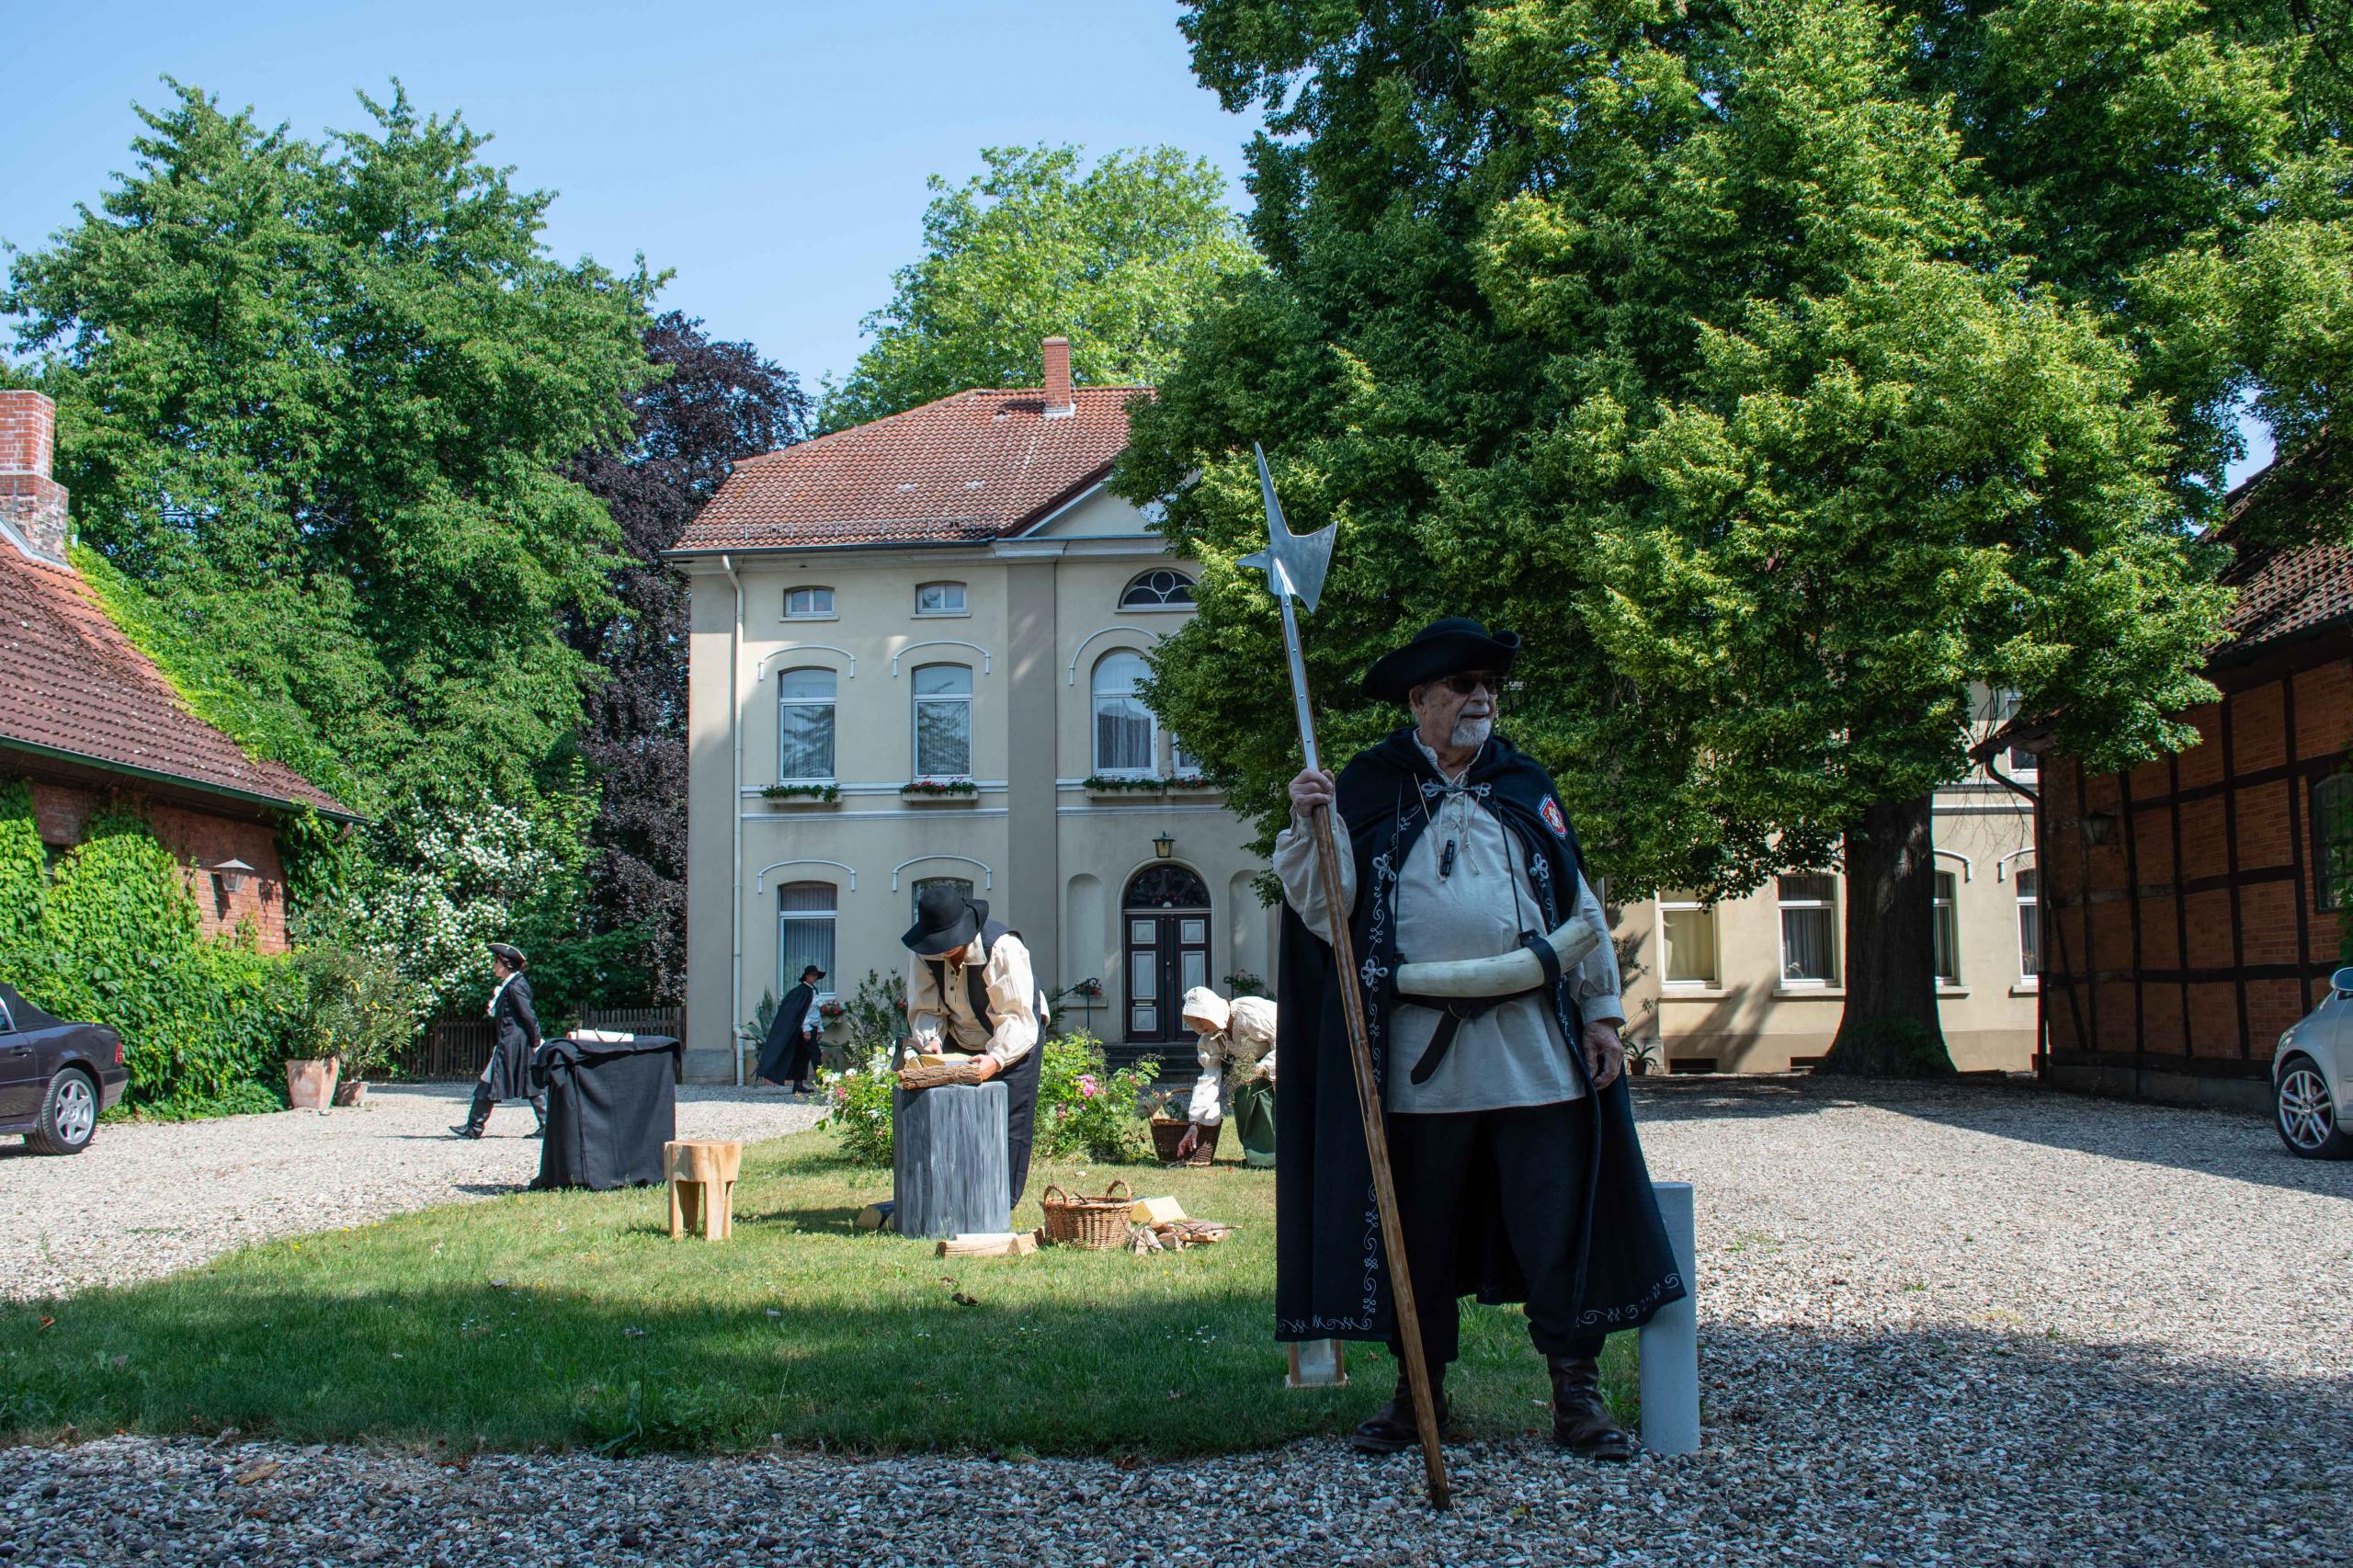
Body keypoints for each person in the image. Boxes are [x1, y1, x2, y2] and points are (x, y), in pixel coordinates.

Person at [1273, 617, 1687, 1460]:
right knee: (1416, 1235)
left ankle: (1577, 1397)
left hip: (1536, 1054)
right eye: (1463, 686)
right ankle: (1416, 1397)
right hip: (1422, 1069)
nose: (1481, 700)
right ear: (1420, 700)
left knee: (1556, 1226)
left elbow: (1577, 905)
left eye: (1489, 687)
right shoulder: (1368, 785)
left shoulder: (1523, 783)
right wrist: (1307, 824)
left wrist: (1603, 1013)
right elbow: (1329, 914)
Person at [902, 885, 1048, 1205]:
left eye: (948, 945)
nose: (942, 952)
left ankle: (999, 1203)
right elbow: (925, 1008)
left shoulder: (1003, 948)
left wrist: (995, 1060)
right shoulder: (922, 954)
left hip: (1016, 1038)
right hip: (960, 1036)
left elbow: (1017, 1018)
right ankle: (953, 1193)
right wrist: (931, 1043)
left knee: (1010, 1122)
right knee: (951, 1116)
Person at [1175, 987, 1278, 1167]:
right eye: (1194, 1020)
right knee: (1241, 1092)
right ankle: (1258, 1157)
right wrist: (1195, 1123)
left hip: (1285, 1059)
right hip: (1253, 1067)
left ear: (1210, 1010)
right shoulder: (1212, 1038)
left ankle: (1272, 1156)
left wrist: (1263, 1067)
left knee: (1257, 1093)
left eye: (1200, 1017)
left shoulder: (1249, 1013)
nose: (1198, 1025)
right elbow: (1209, 1078)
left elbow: (1287, 1039)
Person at [453, 942, 546, 1139]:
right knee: (525, 1081)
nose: (494, 967)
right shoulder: (512, 984)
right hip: (513, 1041)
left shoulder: (515, 986)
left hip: (513, 1043)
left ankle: (474, 1127)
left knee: (496, 1080)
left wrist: (537, 1042)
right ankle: (474, 1126)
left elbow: (528, 1016)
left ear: (506, 964)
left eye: (496, 962)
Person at [756, 964, 826, 1093]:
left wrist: (820, 1028)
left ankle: (798, 1084)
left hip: (812, 1028)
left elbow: (814, 1012)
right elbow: (801, 1013)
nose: (814, 978)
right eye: (812, 975)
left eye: (816, 975)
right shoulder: (800, 992)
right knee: (815, 1054)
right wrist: (806, 1029)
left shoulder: (813, 991)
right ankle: (823, 1082)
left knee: (803, 1056)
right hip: (806, 1029)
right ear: (806, 976)